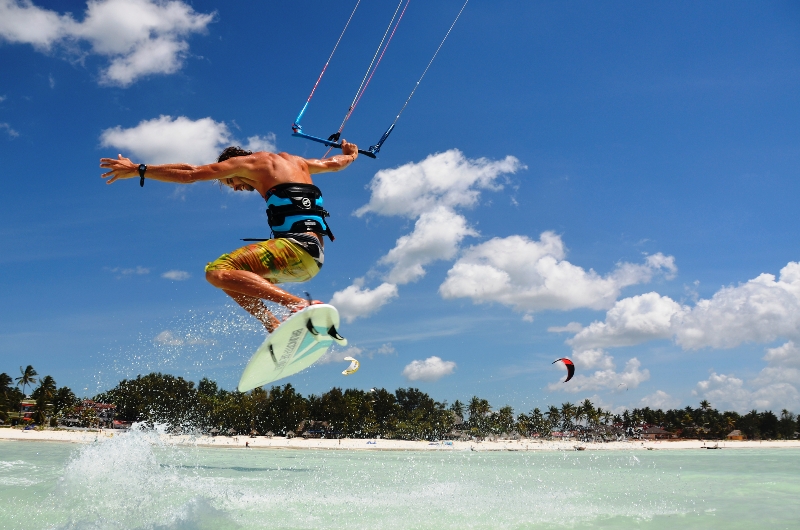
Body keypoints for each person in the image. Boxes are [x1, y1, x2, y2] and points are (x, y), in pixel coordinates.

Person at [100, 141, 359, 332]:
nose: (236, 188)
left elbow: (191, 172)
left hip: (294, 248)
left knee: (217, 271)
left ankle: (300, 305)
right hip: (312, 259)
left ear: (231, 166)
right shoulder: (300, 162)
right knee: (233, 280)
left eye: (229, 182)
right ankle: (274, 325)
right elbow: (333, 164)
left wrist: (138, 169)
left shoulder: (252, 162)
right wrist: (350, 154)